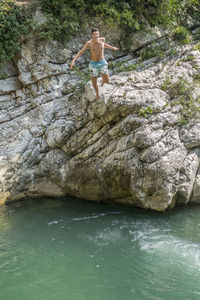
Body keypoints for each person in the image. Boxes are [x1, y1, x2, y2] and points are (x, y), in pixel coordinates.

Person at [70, 28, 119, 99]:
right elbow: (81, 52)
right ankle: (97, 93)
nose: (96, 35)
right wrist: (73, 61)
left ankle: (103, 81)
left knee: (107, 80)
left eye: (97, 34)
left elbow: (104, 44)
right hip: (93, 64)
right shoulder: (89, 43)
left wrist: (112, 47)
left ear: (99, 34)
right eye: (94, 34)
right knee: (94, 81)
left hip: (102, 62)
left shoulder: (102, 39)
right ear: (92, 35)